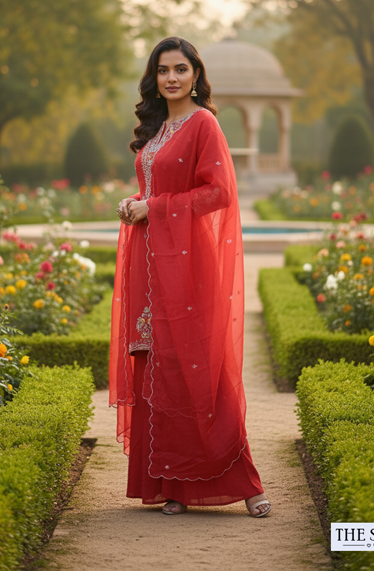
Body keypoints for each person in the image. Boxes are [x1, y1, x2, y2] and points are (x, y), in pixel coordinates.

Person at [110, 36, 271, 518]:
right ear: (154, 77)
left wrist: (152, 207)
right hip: (150, 259)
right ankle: (171, 485)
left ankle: (244, 481)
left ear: (196, 75)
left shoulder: (204, 124)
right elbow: (153, 185)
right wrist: (134, 203)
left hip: (187, 265)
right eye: (163, 70)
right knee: (157, 367)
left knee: (199, 368)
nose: (172, 78)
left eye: (181, 69)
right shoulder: (157, 126)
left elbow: (218, 193)